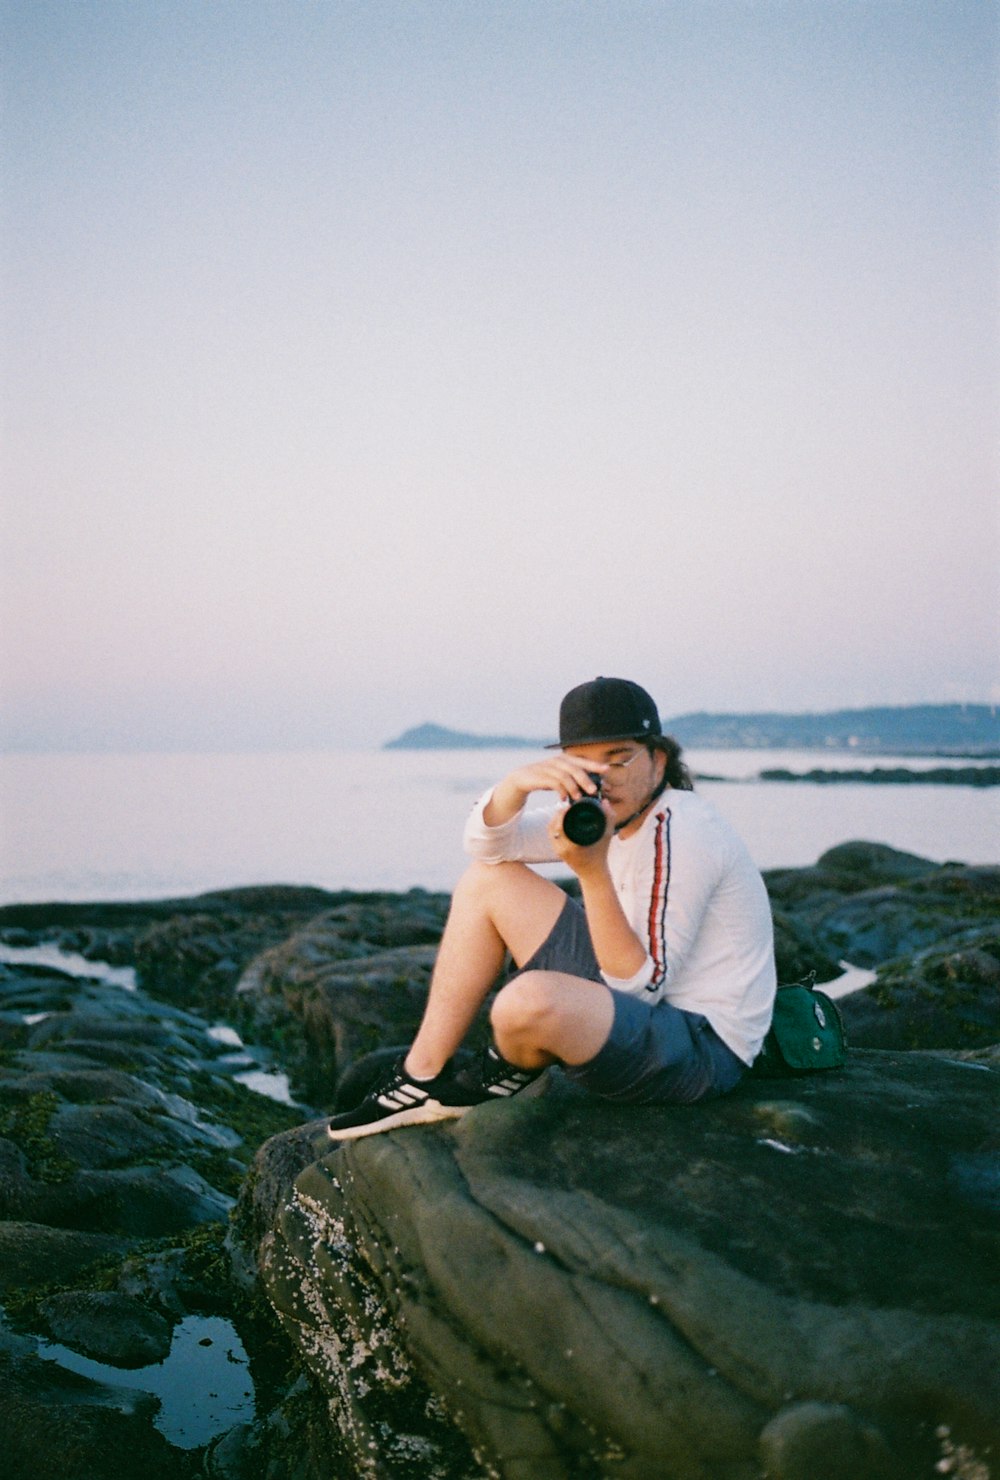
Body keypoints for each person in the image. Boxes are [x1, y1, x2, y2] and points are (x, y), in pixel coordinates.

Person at [327, 676, 776, 1140]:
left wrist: (591, 871)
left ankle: (504, 1071)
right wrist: (515, 786)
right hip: (639, 1005)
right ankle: (420, 1077)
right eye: (583, 765)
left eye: (618, 759)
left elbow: (642, 989)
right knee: (487, 880)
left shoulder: (681, 829)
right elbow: (488, 846)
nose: (603, 780)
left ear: (658, 760)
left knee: (523, 1003)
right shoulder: (602, 815)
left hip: (699, 1048)